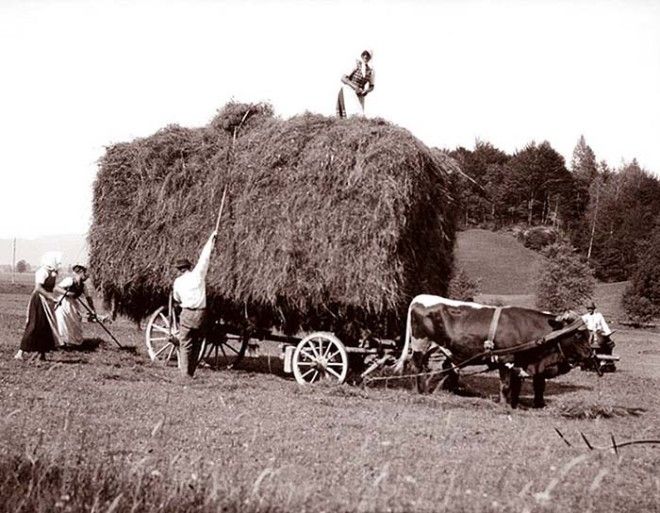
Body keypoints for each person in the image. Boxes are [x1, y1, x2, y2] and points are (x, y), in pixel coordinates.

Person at [172, 229, 217, 379]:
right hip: (200, 314)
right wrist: (212, 238)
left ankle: (185, 374)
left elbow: (177, 298)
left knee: (185, 344)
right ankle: (191, 372)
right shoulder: (198, 275)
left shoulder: (178, 282)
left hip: (187, 313)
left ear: (179, 270)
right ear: (190, 267)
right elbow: (205, 258)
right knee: (197, 343)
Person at [15, 251, 63, 361]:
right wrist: (51, 298)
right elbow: (38, 288)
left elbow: (52, 288)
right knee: (34, 325)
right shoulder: (42, 272)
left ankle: (42, 354)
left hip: (47, 301)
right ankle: (20, 352)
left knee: (46, 326)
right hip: (39, 301)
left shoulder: (52, 273)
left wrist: (54, 299)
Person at [54, 264, 97, 346]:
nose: (87, 277)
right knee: (63, 322)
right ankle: (62, 342)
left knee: (74, 323)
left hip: (73, 304)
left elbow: (89, 299)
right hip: (64, 302)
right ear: (81, 272)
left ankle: (72, 342)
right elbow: (56, 288)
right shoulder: (70, 280)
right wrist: (67, 293)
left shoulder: (83, 286)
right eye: (86, 274)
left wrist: (93, 310)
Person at [336, 49, 375, 118]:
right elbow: (343, 78)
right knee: (350, 113)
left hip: (359, 94)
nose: (365, 56)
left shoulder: (370, 70)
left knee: (359, 116)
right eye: (364, 54)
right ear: (361, 55)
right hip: (348, 90)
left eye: (368, 55)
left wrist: (366, 91)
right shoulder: (355, 64)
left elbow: (372, 86)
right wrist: (355, 87)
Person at [581, 301, 616, 372]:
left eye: (591, 308)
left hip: (598, 332)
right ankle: (589, 363)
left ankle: (605, 361)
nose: (589, 310)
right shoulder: (585, 317)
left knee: (607, 343)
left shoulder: (598, 316)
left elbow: (604, 324)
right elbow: (581, 324)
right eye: (588, 309)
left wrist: (607, 332)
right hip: (590, 334)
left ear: (594, 309)